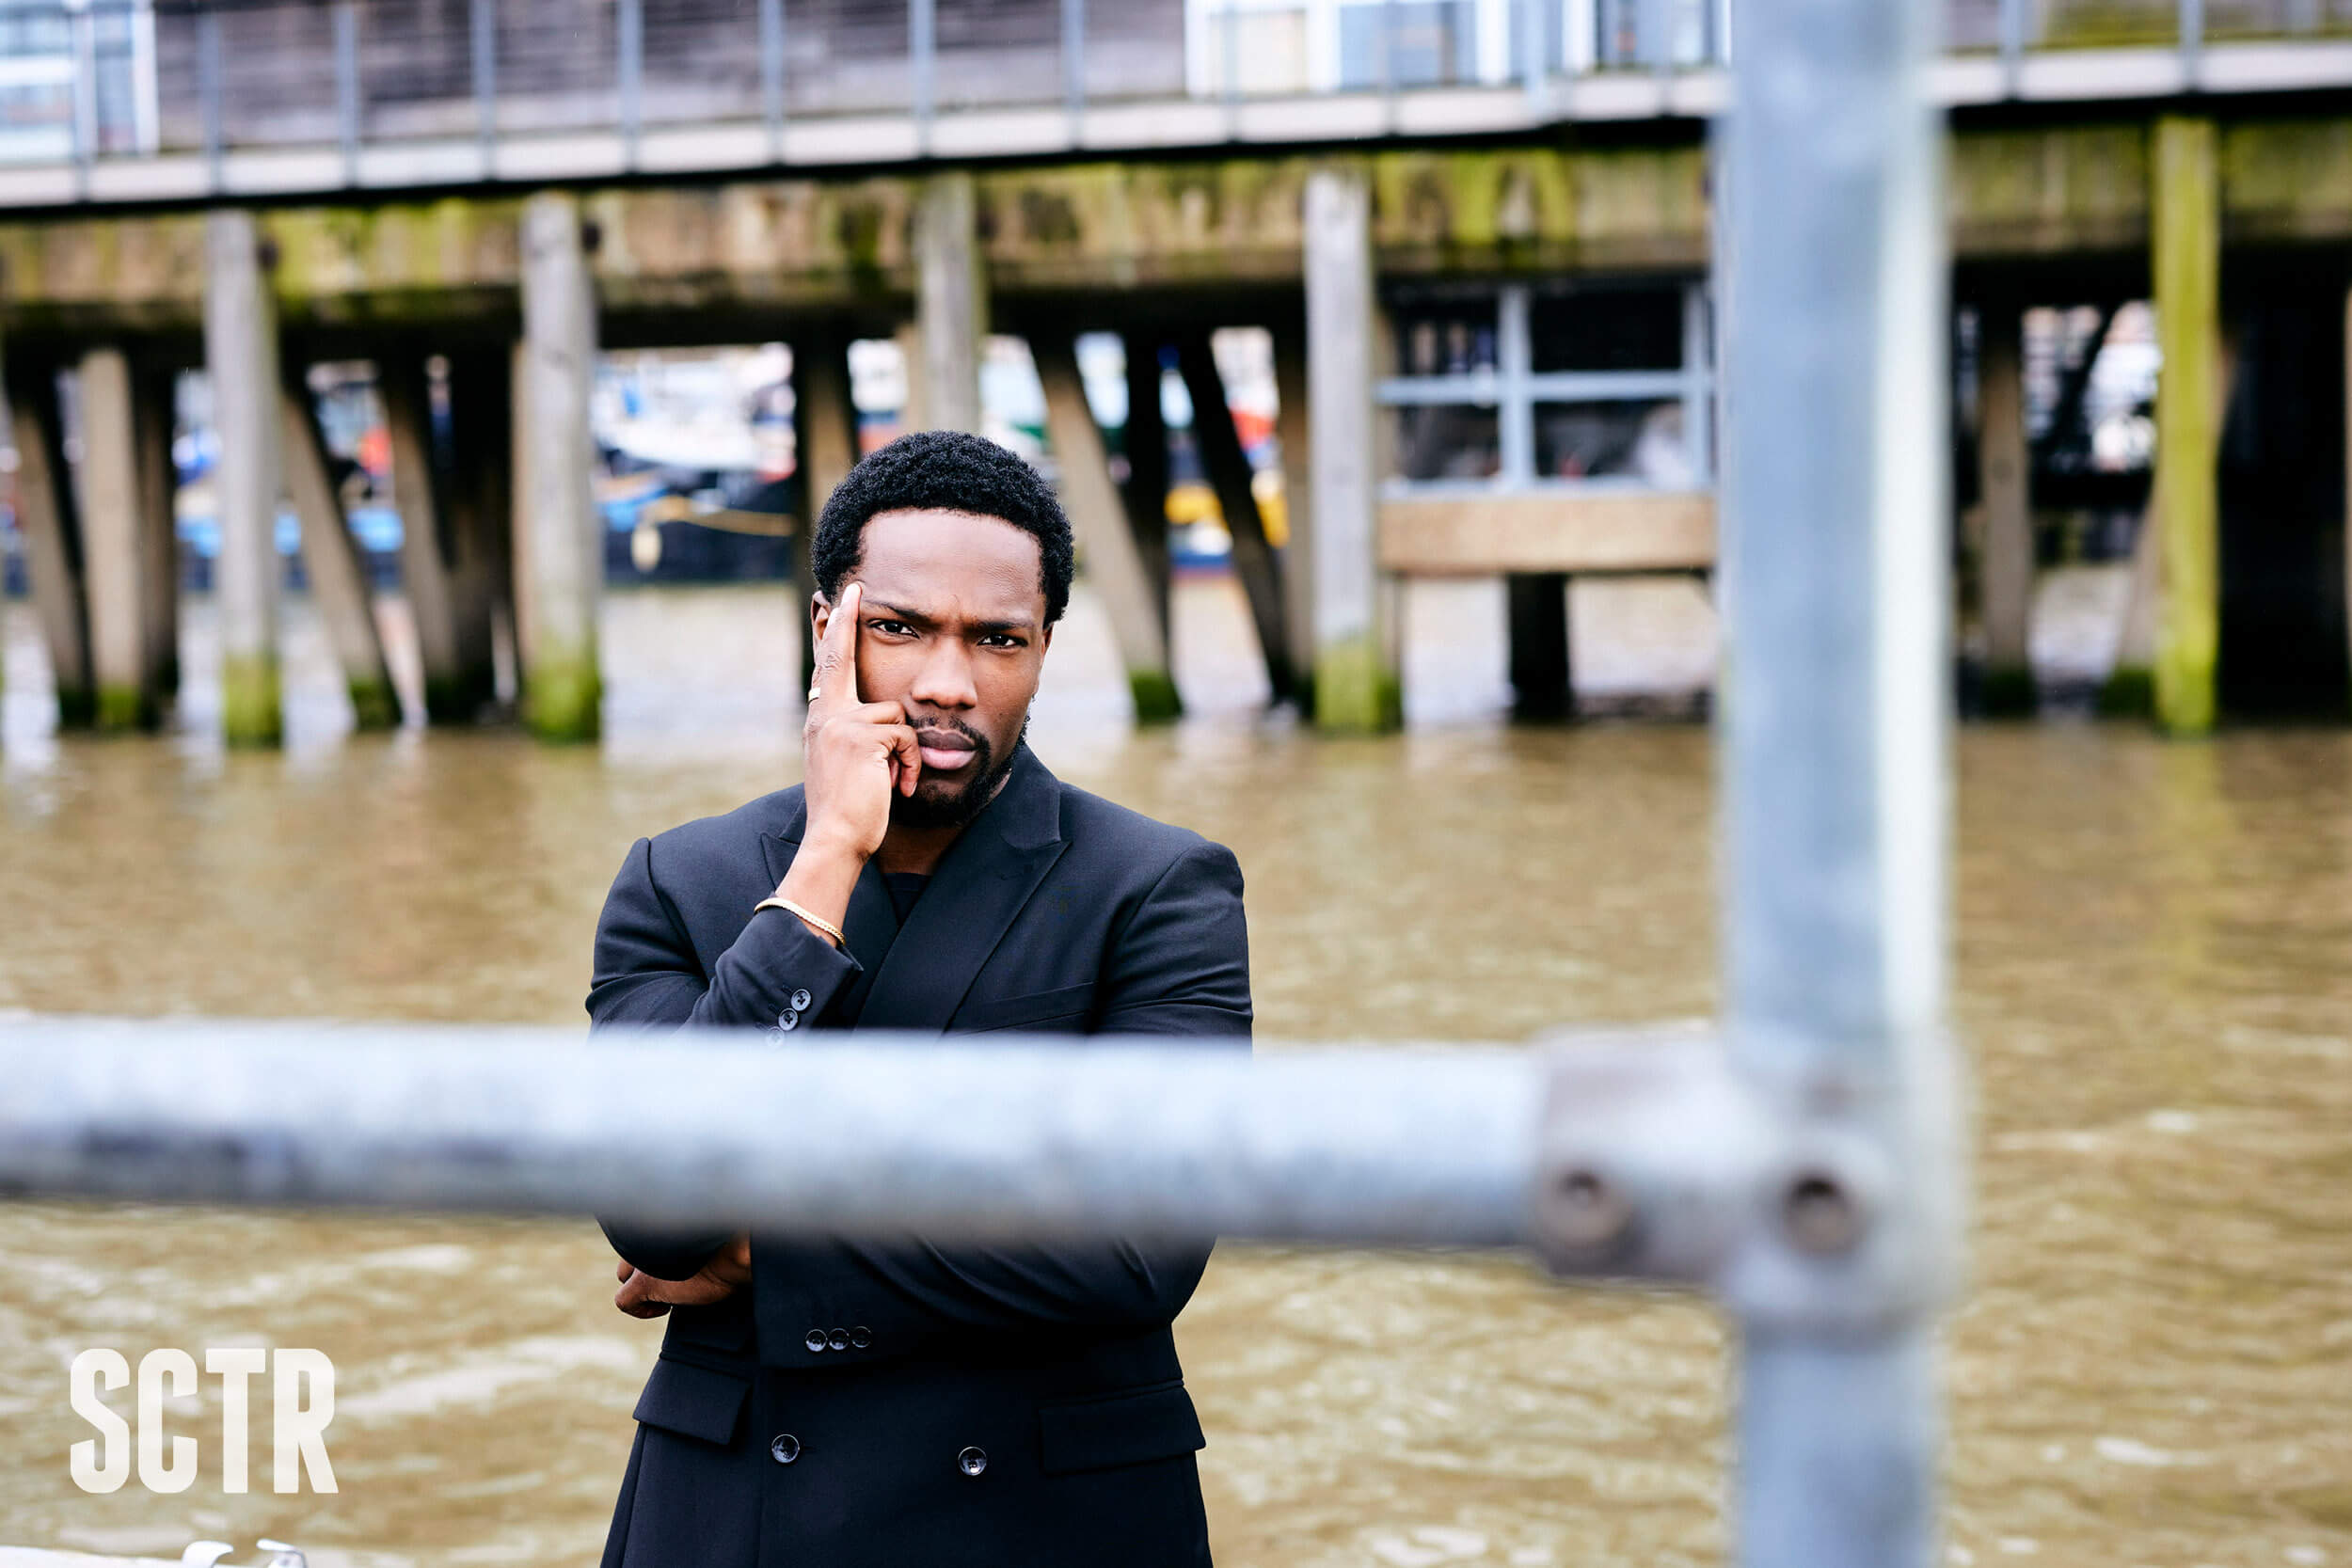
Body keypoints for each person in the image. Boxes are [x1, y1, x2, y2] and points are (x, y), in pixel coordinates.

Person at [586, 429, 1252, 1568]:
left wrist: (775, 1251)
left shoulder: (1155, 887)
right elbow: (653, 1209)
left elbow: (1141, 1255)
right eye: (900, 629)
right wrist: (823, 866)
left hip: (1048, 1518)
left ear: (1043, 651)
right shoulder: (680, 879)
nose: (947, 682)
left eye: (997, 638)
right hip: (740, 1512)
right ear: (826, 629)